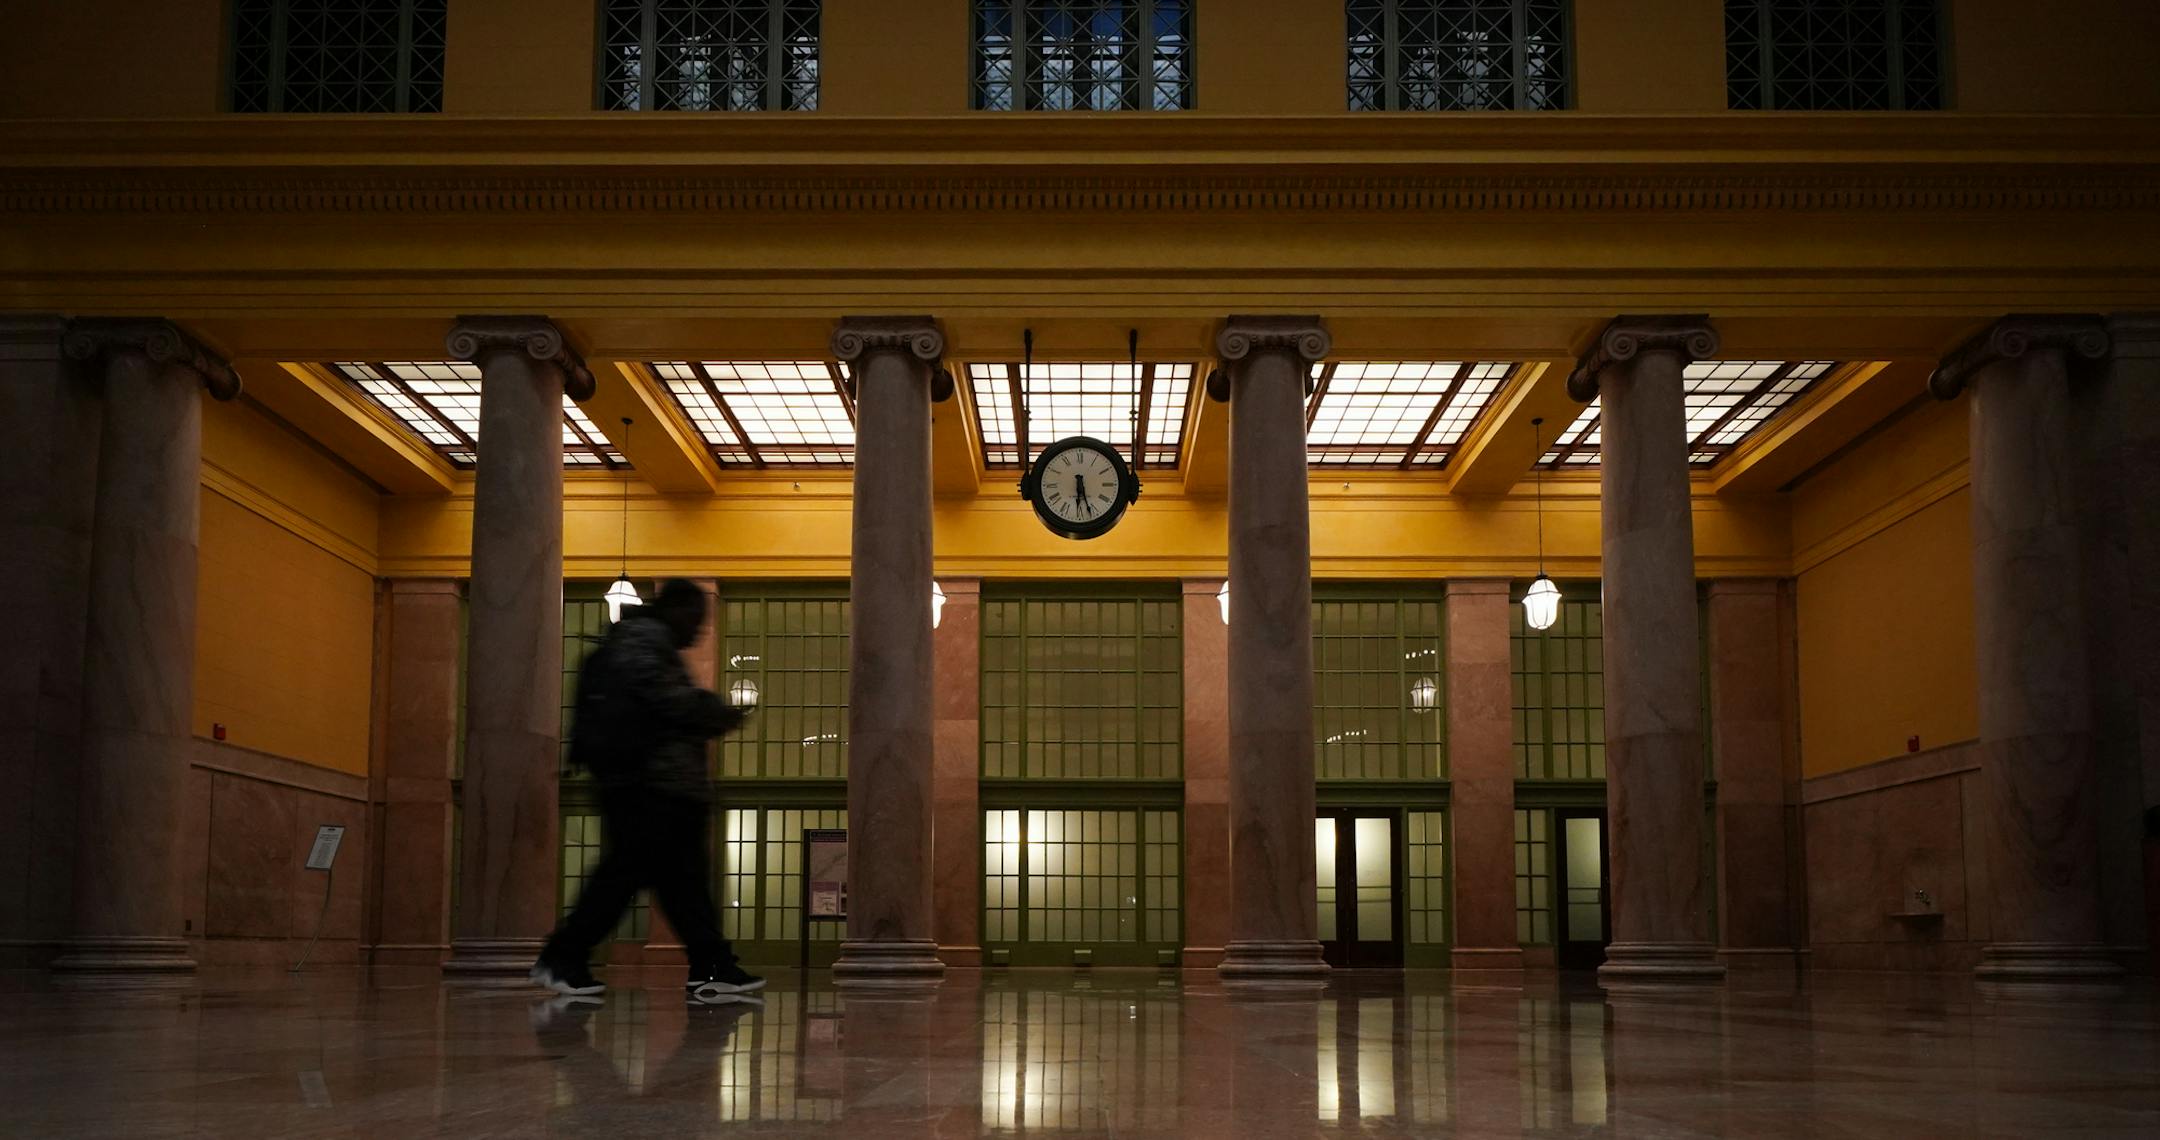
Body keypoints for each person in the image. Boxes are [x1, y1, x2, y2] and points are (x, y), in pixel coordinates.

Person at [531, 577, 765, 1003]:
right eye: (695, 619)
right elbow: (672, 702)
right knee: (632, 878)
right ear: (674, 609)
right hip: (650, 787)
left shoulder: (643, 643)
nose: (698, 631)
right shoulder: (643, 642)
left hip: (653, 787)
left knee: (678, 883)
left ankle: (710, 966)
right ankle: (564, 956)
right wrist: (717, 711)